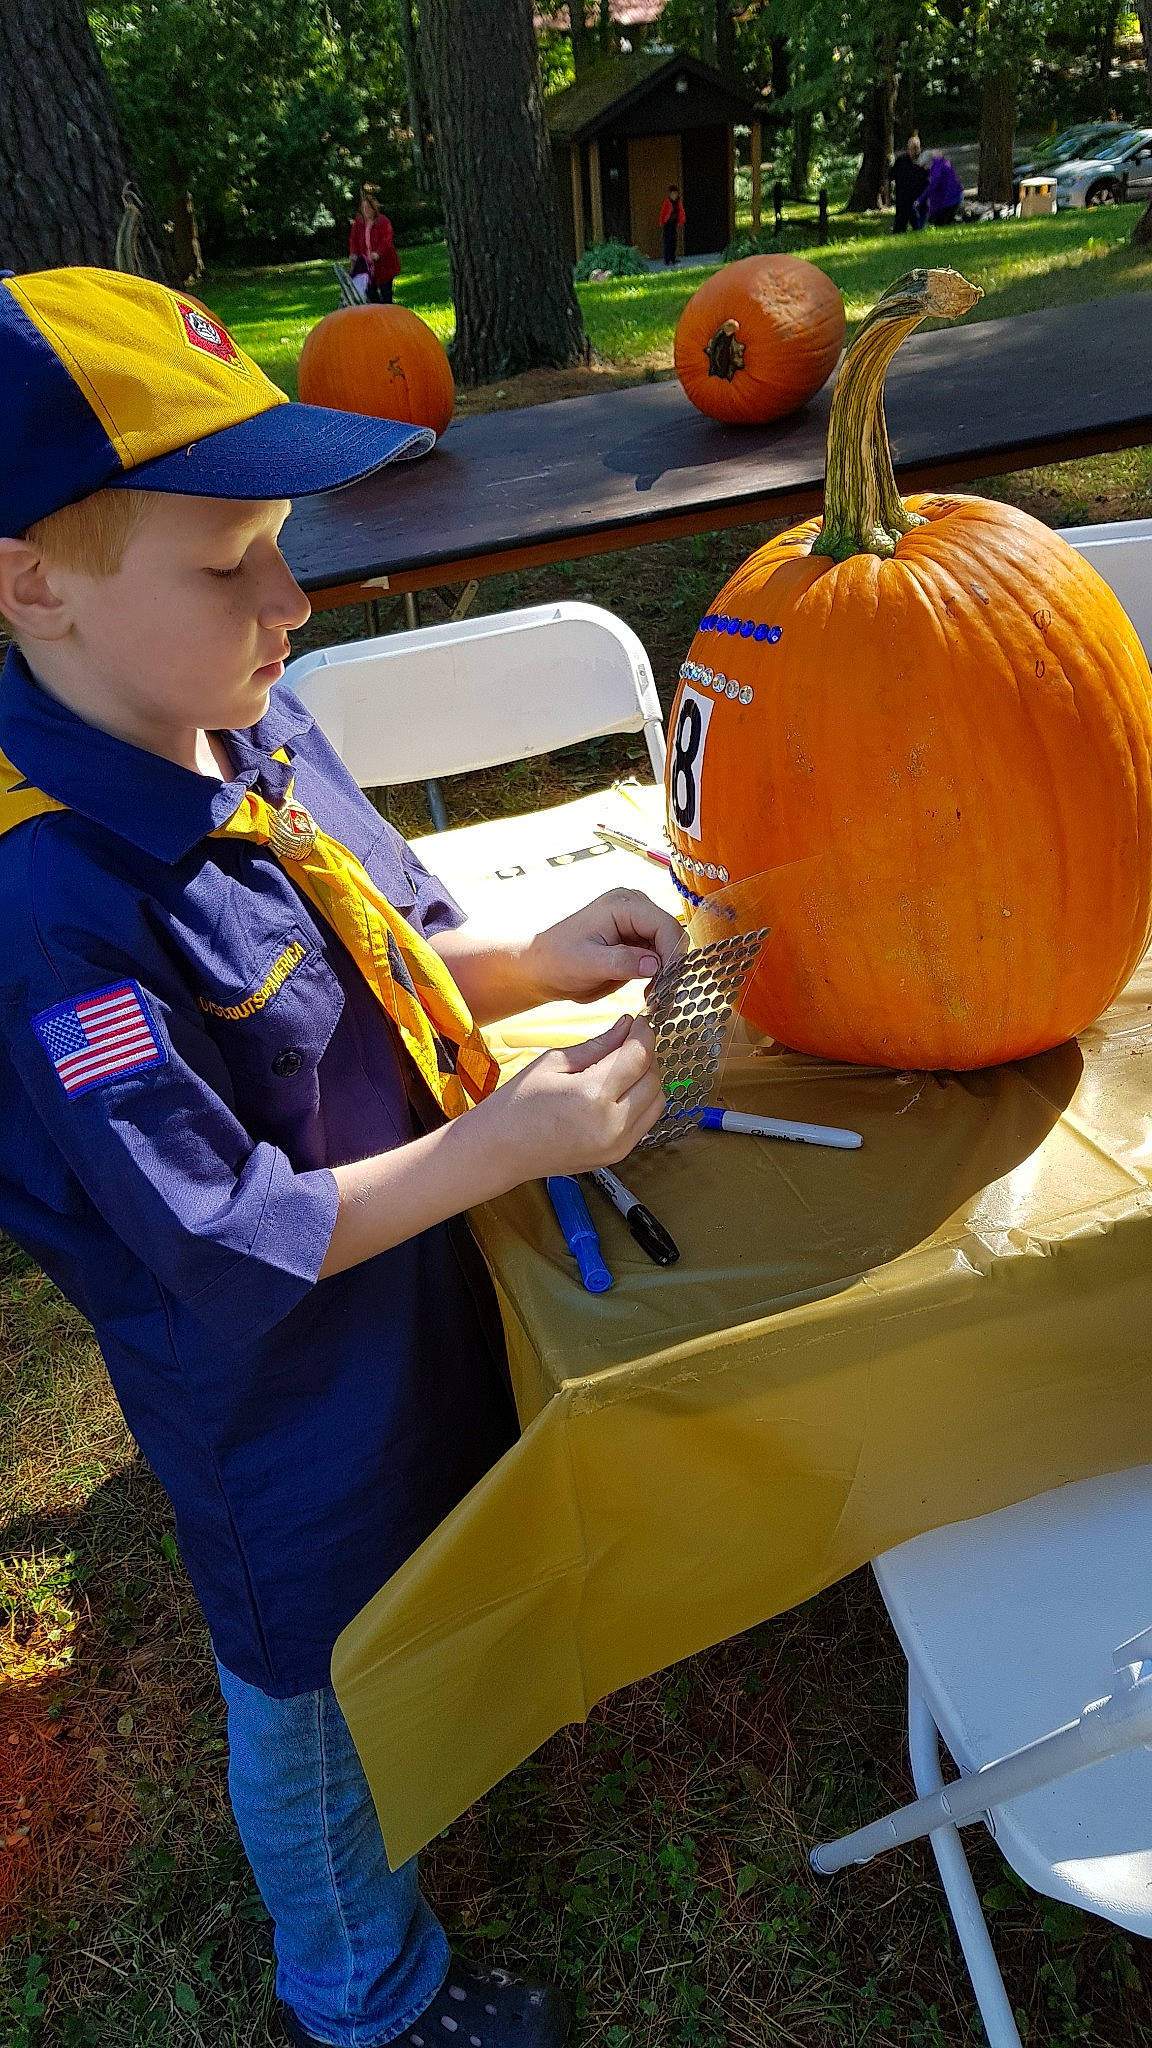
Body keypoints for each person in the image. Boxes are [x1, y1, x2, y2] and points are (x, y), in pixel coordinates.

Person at [0, 268, 679, 2048]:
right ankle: (362, 1991)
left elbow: (369, 944)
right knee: (307, 1685)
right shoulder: (50, 903)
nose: (290, 602)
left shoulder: (250, 718)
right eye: (228, 564)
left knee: (435, 1553)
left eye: (283, 546)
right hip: (278, 1398)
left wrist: (531, 960)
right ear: (28, 581)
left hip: (416, 1289)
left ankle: (443, 1742)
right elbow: (221, 1233)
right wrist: (510, 1140)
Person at [349, 183, 400, 303]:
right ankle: (378, 313)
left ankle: (388, 315)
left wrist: (378, 253)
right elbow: (353, 240)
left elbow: (386, 240)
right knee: (370, 293)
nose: (366, 211)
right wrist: (353, 253)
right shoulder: (359, 223)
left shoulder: (382, 221)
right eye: (363, 209)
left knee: (386, 293)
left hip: (384, 265)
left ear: (373, 208)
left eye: (368, 208)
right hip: (366, 266)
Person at [889, 133, 930, 234]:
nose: (914, 151)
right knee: (899, 228)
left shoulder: (924, 162)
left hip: (919, 200)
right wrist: (888, 194)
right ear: (908, 149)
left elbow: (930, 180)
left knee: (919, 228)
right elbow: (890, 177)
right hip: (903, 200)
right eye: (912, 148)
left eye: (916, 148)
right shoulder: (901, 162)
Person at [924, 152, 964, 227]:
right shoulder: (943, 164)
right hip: (957, 196)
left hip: (950, 201)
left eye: (924, 166)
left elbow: (933, 189)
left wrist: (920, 199)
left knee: (941, 223)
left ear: (928, 163)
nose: (924, 168)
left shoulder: (936, 171)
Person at [659, 184, 686, 266]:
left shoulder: (678, 202)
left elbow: (681, 211)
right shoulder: (667, 202)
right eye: (673, 194)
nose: (674, 195)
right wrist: (661, 222)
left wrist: (681, 220)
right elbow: (662, 213)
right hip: (667, 224)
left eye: (676, 194)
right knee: (667, 242)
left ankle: (673, 258)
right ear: (670, 194)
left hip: (674, 224)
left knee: (674, 242)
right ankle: (667, 260)